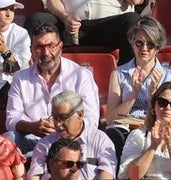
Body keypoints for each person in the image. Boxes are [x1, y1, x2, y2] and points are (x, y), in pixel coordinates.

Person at [6, 19, 100, 155]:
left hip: (71, 140)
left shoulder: (81, 75)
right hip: (34, 138)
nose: (46, 53)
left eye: (51, 46)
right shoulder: (21, 78)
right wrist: (32, 127)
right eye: (39, 47)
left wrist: (64, 127)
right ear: (32, 50)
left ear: (61, 47)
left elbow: (91, 120)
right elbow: (11, 118)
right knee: (9, 138)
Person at [103, 16, 171, 153]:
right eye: (139, 43)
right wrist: (133, 95)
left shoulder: (169, 76)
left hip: (155, 127)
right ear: (132, 44)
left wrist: (155, 95)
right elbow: (110, 119)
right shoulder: (119, 74)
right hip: (125, 129)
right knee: (112, 136)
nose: (144, 49)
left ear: (158, 48)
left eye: (150, 44)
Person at [26, 89, 117, 180]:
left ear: (80, 114)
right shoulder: (44, 145)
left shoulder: (100, 140)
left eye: (63, 118)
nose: (58, 124)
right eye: (55, 118)